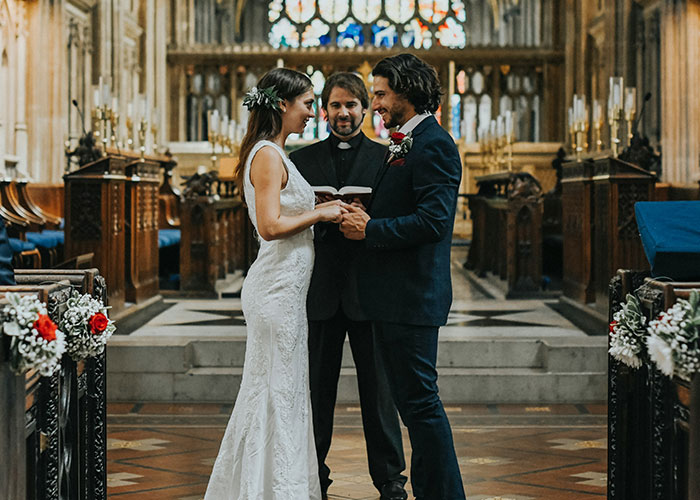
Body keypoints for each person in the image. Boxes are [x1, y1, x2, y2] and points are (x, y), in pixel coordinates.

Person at [204, 68, 348, 500]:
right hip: (275, 292)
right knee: (274, 391)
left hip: (287, 292)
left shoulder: (276, 152)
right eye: (307, 103)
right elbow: (269, 225)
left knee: (281, 392)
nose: (312, 113)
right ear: (282, 105)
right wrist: (320, 214)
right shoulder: (267, 154)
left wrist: (316, 206)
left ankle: (272, 486)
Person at [340, 53, 467, 500]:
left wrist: (369, 229)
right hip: (393, 297)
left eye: (380, 94)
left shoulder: (433, 143)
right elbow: (407, 208)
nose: (374, 103)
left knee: (421, 406)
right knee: (414, 407)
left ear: (406, 93)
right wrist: (366, 214)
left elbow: (434, 222)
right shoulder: (405, 141)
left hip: (411, 298)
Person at [289, 73, 407, 500]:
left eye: (352, 105)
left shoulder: (386, 158)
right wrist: (318, 211)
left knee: (379, 393)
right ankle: (312, 475)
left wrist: (367, 218)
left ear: (363, 109)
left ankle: (391, 480)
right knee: (316, 392)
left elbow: (395, 218)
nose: (343, 113)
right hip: (319, 289)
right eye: (335, 105)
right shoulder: (301, 159)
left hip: (369, 289)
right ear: (324, 110)